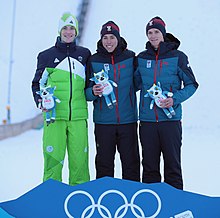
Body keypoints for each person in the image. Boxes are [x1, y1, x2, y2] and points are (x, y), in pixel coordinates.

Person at [135, 16, 199, 189]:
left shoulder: (178, 57)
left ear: (163, 33)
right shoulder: (141, 58)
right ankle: (151, 210)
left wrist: (174, 99)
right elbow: (132, 84)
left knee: (172, 167)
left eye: (156, 32)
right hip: (147, 122)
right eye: (149, 32)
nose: (153, 36)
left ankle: (176, 210)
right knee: (149, 169)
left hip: (170, 122)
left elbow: (192, 84)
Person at [31, 12, 91, 185]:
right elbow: (37, 84)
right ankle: (50, 197)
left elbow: (88, 84)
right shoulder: (46, 56)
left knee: (80, 161)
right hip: (54, 116)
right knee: (53, 159)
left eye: (72, 28)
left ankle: (80, 198)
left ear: (76, 31)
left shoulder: (84, 54)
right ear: (59, 30)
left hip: (78, 118)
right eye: (65, 28)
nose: (68, 32)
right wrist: (41, 101)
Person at [86, 21, 140, 181]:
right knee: (104, 165)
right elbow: (86, 93)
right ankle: (104, 200)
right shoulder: (93, 60)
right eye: (105, 37)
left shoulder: (130, 57)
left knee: (131, 164)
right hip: (104, 123)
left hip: (127, 121)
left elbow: (138, 83)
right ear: (101, 39)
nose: (108, 41)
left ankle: (132, 200)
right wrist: (93, 91)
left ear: (118, 38)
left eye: (112, 37)